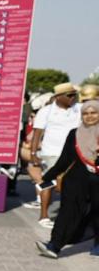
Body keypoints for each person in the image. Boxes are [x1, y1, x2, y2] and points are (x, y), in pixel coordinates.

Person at [34, 99, 99, 258]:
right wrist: (47, 177)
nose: (89, 116)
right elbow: (65, 159)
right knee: (67, 212)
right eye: (85, 113)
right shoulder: (74, 134)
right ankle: (54, 245)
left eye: (94, 113)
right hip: (76, 180)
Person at [31, 83, 81, 229]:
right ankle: (44, 216)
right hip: (51, 153)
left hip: (74, 153)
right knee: (49, 183)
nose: (73, 98)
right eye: (69, 95)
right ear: (58, 97)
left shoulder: (79, 109)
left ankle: (69, 217)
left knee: (70, 184)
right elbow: (37, 134)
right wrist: (33, 153)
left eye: (74, 95)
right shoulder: (46, 111)